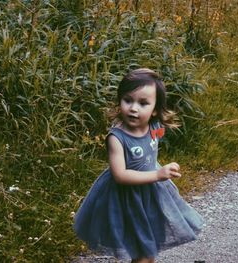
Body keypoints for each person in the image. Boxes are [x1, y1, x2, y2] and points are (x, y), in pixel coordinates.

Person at [73, 68, 203, 263]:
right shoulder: (116, 138)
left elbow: (150, 151)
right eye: (128, 100)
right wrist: (158, 174)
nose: (133, 108)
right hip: (126, 200)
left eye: (143, 103)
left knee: (149, 249)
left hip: (150, 196)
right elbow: (120, 175)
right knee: (141, 253)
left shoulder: (154, 127)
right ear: (120, 101)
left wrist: (158, 171)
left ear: (155, 109)